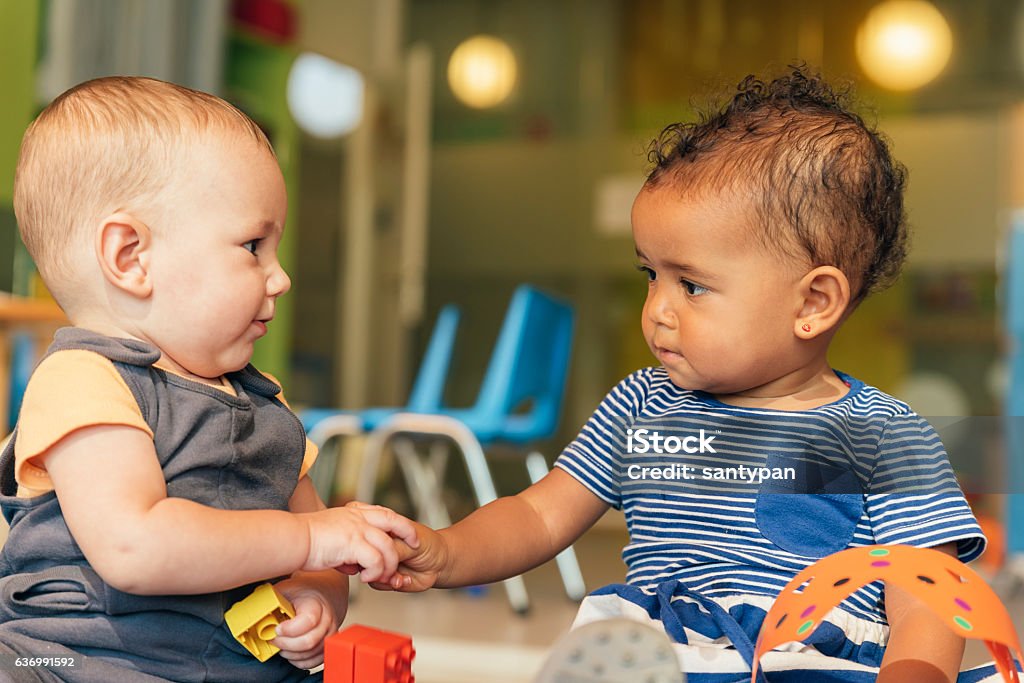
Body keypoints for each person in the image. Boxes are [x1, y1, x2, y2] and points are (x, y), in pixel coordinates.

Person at [383, 68, 996, 682]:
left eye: (692, 285)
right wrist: (449, 550)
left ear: (811, 305)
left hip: (811, 662)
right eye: (651, 275)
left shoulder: (884, 436)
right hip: (660, 660)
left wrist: (915, 674)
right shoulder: (642, 406)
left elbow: (927, 590)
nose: (658, 310)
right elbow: (540, 516)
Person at [0, 76, 417, 683]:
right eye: (253, 246)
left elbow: (318, 548)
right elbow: (135, 546)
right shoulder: (83, 382)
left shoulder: (264, 405)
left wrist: (316, 597)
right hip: (77, 662)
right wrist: (307, 541)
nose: (280, 279)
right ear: (131, 258)